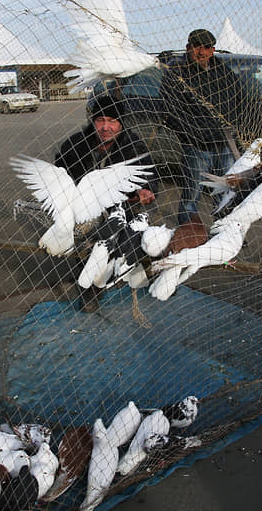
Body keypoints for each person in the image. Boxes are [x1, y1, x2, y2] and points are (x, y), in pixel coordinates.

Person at [54, 95, 159, 312]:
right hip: (85, 207)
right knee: (89, 244)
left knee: (136, 239)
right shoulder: (75, 144)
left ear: (121, 123)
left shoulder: (134, 146)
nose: (105, 127)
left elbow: (150, 175)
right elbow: (58, 173)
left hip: (122, 206)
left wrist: (146, 189)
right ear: (93, 122)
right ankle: (90, 290)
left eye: (112, 121)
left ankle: (146, 269)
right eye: (100, 120)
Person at [160, 28, 246, 224]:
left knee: (226, 192)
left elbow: (239, 98)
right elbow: (170, 109)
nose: (202, 52)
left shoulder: (222, 69)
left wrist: (234, 126)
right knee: (192, 194)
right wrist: (194, 134)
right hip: (197, 147)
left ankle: (225, 230)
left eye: (207, 48)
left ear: (213, 49)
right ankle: (187, 234)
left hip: (224, 144)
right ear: (188, 47)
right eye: (197, 47)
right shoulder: (176, 71)